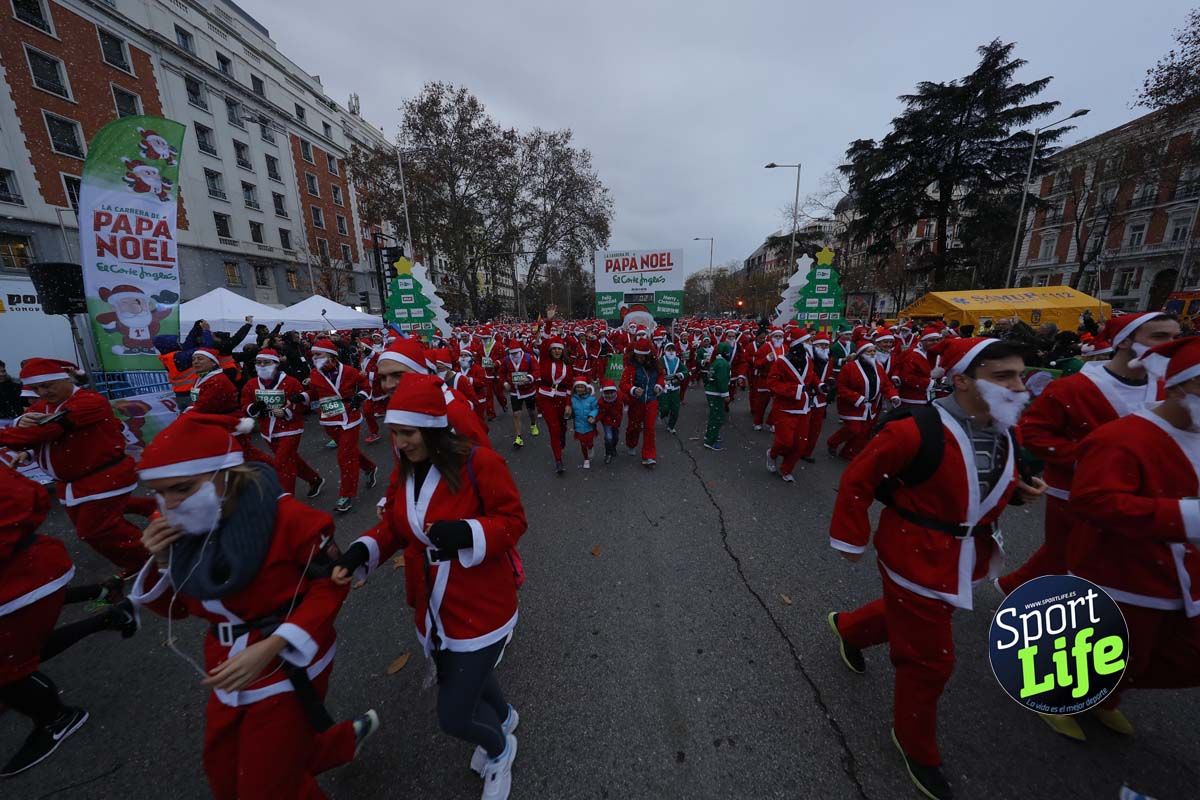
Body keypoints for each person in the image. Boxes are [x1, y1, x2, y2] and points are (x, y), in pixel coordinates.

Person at [827, 338, 1046, 800]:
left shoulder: (1007, 426)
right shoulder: (914, 429)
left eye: (1020, 375)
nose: (1019, 386)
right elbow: (858, 477)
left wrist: (1020, 491)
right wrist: (851, 536)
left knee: (912, 616)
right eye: (1003, 376)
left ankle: (850, 628)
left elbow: (985, 477)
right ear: (963, 379)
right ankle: (915, 745)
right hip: (916, 553)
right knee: (932, 661)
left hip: (966, 553)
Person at [130, 412, 376, 799]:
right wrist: (163, 561)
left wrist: (274, 644)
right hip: (227, 663)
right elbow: (180, 610)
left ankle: (321, 747)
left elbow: (332, 586)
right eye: (160, 493)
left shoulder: (292, 520)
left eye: (181, 488)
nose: (170, 504)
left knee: (268, 787)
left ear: (224, 474)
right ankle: (338, 741)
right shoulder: (185, 530)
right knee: (223, 770)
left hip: (290, 658)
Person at [333, 374, 527, 800]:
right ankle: (505, 716)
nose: (398, 443)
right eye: (394, 432)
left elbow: (513, 522)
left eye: (408, 432)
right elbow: (397, 528)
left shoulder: (480, 464)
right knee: (467, 674)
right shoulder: (405, 470)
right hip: (432, 602)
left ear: (433, 429)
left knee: (454, 714)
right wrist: (362, 551)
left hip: (481, 602)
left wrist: (470, 532)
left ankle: (500, 749)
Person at [1063, 335, 1200, 742]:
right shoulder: (1123, 438)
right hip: (1126, 572)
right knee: (1122, 648)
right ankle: (1064, 692)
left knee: (1182, 655)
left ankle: (1101, 694)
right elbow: (1092, 502)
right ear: (1179, 387)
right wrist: (1184, 515)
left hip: (1186, 574)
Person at [995, 312, 1180, 597]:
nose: (1170, 344)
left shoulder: (1166, 387)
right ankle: (1036, 610)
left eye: (1174, 337)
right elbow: (1032, 433)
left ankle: (1022, 591)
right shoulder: (1073, 388)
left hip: (1139, 492)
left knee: (1115, 557)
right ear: (1124, 342)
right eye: (1159, 336)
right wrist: (1086, 458)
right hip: (1075, 491)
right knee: (1070, 555)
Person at [0, 466, 138, 777]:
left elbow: (31, 492)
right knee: (22, 640)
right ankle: (106, 604)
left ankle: (56, 718)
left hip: (24, 574)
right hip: (29, 567)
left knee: (11, 663)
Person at [0, 358, 152, 574]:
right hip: (75, 483)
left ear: (63, 379)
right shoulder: (45, 405)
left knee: (96, 530)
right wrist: (27, 445)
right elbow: (38, 431)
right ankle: (151, 512)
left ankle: (148, 561)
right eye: (36, 388)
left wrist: (16, 432)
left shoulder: (89, 401)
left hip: (102, 476)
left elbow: (47, 431)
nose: (42, 392)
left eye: (47, 385)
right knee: (98, 522)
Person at [294, 339, 377, 513]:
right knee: (349, 451)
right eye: (313, 354)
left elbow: (365, 387)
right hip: (329, 419)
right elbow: (313, 393)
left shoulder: (349, 371)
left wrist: (359, 397)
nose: (314, 357)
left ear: (331, 356)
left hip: (349, 416)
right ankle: (369, 467)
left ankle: (346, 495)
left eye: (318, 354)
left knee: (344, 455)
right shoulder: (315, 374)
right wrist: (302, 397)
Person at [241, 348, 324, 498]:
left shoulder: (290, 382)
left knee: (282, 463)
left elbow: (303, 404)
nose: (262, 365)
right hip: (268, 430)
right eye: (259, 362)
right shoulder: (251, 384)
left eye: (266, 362)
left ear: (275, 363)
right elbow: (245, 404)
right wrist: (254, 408)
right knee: (291, 460)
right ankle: (314, 479)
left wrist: (287, 411)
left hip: (290, 428)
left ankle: (286, 500)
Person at [826, 337, 900, 460]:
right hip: (851, 405)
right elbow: (841, 387)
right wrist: (857, 398)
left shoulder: (878, 367)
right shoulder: (849, 367)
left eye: (873, 351)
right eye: (869, 351)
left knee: (864, 431)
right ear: (860, 354)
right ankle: (833, 442)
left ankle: (848, 452)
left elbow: (886, 385)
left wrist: (893, 396)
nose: (872, 354)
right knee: (854, 428)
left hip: (870, 406)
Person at [766, 331, 818, 483]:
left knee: (800, 444)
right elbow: (772, 383)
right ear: (799, 344)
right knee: (785, 442)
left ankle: (786, 468)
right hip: (785, 408)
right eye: (808, 341)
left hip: (804, 408)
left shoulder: (808, 360)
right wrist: (795, 390)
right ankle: (772, 454)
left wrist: (820, 385)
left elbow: (812, 375)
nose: (811, 344)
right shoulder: (781, 362)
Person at [620, 337, 664, 467]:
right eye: (637, 355)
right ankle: (631, 443)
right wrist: (633, 389)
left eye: (642, 356)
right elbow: (623, 384)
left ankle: (648, 455)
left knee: (649, 428)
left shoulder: (655, 365)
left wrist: (659, 385)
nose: (639, 358)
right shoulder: (631, 367)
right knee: (634, 426)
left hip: (651, 400)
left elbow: (661, 376)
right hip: (636, 402)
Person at [499, 340, 539, 448]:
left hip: (529, 390)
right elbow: (501, 372)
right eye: (512, 353)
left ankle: (533, 424)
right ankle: (519, 437)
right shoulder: (506, 360)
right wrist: (504, 383)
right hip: (515, 391)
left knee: (531, 411)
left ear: (520, 351)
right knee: (516, 414)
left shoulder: (529, 358)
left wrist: (530, 378)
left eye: (515, 353)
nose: (514, 356)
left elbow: (536, 370)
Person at [751, 328, 787, 431]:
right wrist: (766, 359)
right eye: (776, 336)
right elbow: (756, 364)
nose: (778, 338)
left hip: (779, 380)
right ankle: (757, 422)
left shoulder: (785, 347)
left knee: (778, 403)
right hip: (765, 379)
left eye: (780, 336)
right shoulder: (765, 347)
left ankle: (771, 422)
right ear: (771, 337)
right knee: (761, 404)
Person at [703, 342, 731, 451]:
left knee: (713, 414)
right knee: (717, 416)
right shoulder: (723, 364)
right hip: (716, 392)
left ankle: (710, 434)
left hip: (711, 391)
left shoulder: (716, 361)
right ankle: (710, 441)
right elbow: (722, 381)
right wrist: (726, 394)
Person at [657, 341, 687, 434]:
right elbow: (655, 372)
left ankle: (671, 426)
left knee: (675, 409)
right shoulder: (661, 360)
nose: (671, 352)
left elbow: (686, 371)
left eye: (672, 350)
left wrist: (681, 374)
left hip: (675, 388)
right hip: (664, 388)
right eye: (669, 350)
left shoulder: (678, 361)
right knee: (665, 408)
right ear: (665, 351)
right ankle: (660, 413)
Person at [569, 378, 599, 469]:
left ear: (586, 388)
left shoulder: (591, 399)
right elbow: (571, 412)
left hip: (589, 426)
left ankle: (591, 447)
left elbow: (596, 409)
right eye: (577, 387)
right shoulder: (573, 400)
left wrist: (592, 415)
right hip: (578, 426)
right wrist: (568, 414)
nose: (580, 389)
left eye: (582, 387)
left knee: (589, 442)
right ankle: (586, 459)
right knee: (582, 444)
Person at [597, 378, 624, 465]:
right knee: (609, 437)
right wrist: (595, 419)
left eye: (611, 393)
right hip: (607, 422)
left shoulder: (619, 396)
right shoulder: (601, 401)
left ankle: (613, 448)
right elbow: (599, 412)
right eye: (607, 393)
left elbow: (628, 400)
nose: (609, 395)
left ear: (615, 392)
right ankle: (608, 453)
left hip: (616, 421)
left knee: (615, 437)